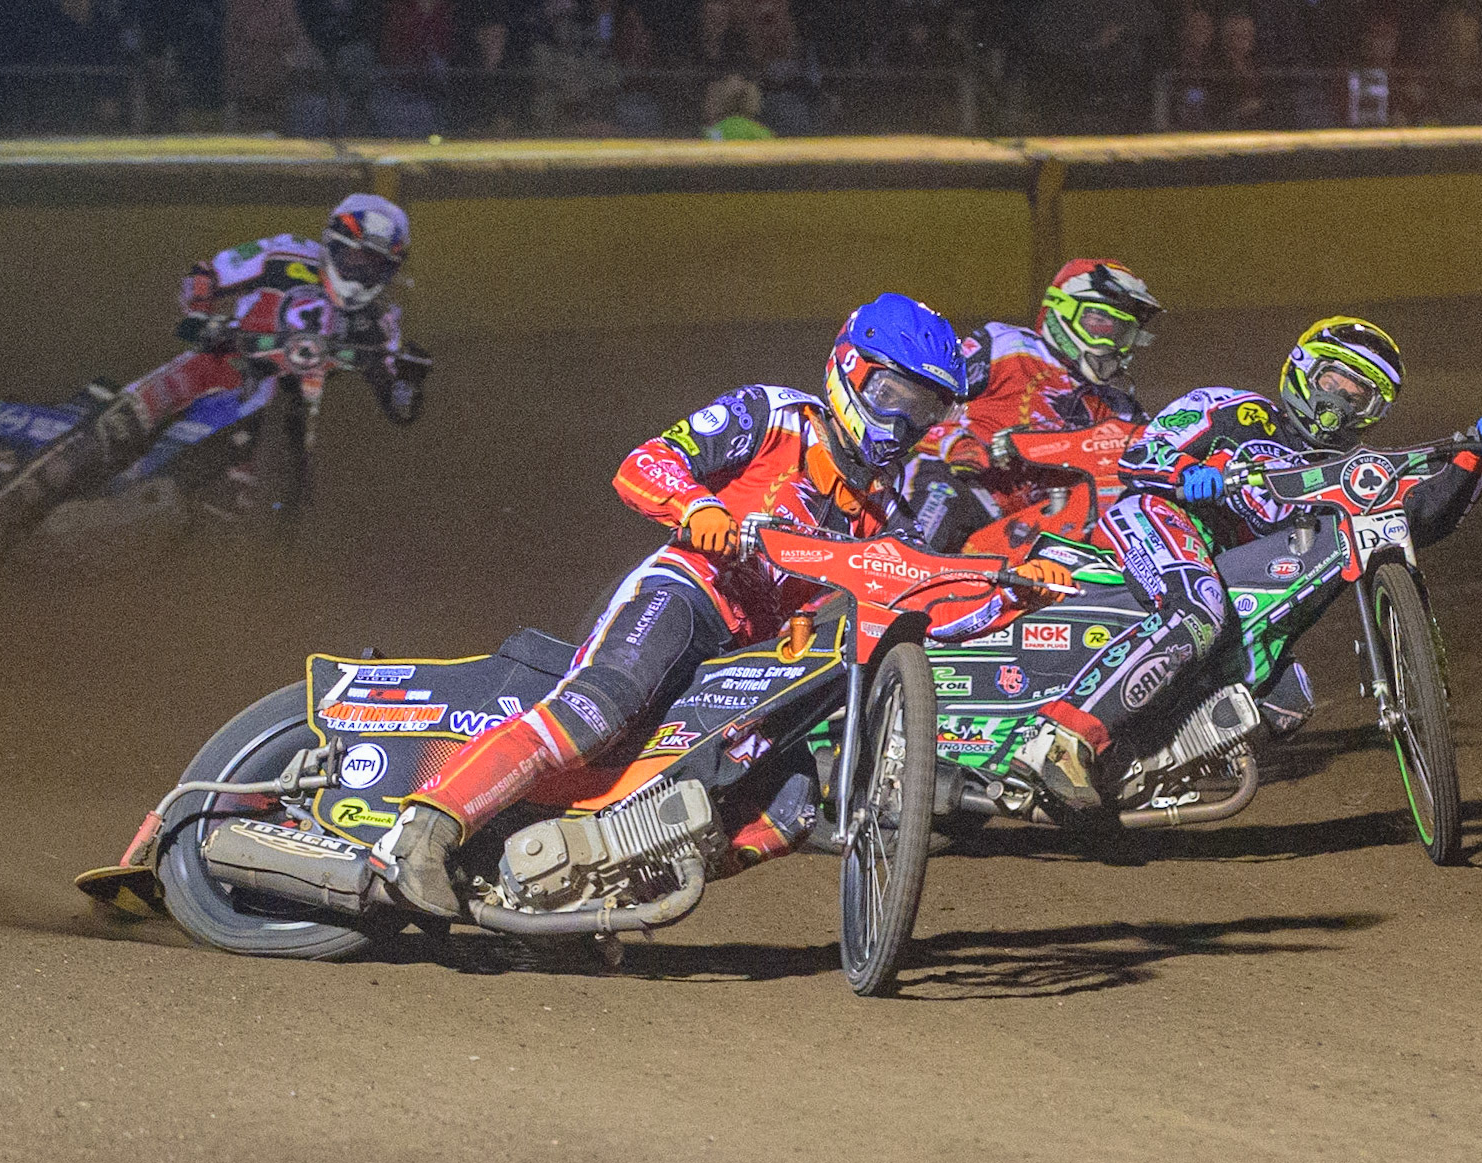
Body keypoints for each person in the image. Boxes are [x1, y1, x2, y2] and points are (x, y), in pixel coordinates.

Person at [382, 293, 1073, 918]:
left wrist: (1014, 595)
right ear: (850, 370)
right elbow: (644, 463)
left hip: (754, 661)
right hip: (689, 594)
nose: (902, 421)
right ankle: (426, 829)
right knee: (601, 705)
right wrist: (697, 506)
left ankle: (597, 887)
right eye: (892, 394)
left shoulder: (890, 511)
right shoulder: (772, 416)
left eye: (923, 409)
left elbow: (927, 607)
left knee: (790, 803)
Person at [1031, 316, 1482, 805]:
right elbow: (1141, 454)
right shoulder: (1234, 410)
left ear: (1374, 411)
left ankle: (1136, 768)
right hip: (1162, 519)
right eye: (1333, 382)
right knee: (1200, 607)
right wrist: (1186, 473)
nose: (1338, 404)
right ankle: (1065, 738)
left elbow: (1417, 520)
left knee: (1285, 697)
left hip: (1229, 574)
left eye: (1357, 397)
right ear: (1304, 372)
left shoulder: (1347, 472)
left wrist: (1477, 459)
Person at [0, 193, 426, 541]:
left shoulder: (381, 319)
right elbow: (207, 272)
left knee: (298, 489)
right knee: (124, 420)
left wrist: (410, 379)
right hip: (222, 362)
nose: (362, 273)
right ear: (333, 243)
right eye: (357, 258)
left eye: (376, 266)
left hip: (286, 406)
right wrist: (200, 316)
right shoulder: (284, 253)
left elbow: (397, 403)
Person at [900, 259, 1162, 555]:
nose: (1111, 343)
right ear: (1063, 310)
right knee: (933, 518)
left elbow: (1158, 458)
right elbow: (920, 399)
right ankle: (899, 572)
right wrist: (954, 442)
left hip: (1035, 526)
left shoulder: (1119, 408)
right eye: (1100, 324)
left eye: (1123, 332)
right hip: (967, 487)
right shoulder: (1006, 346)